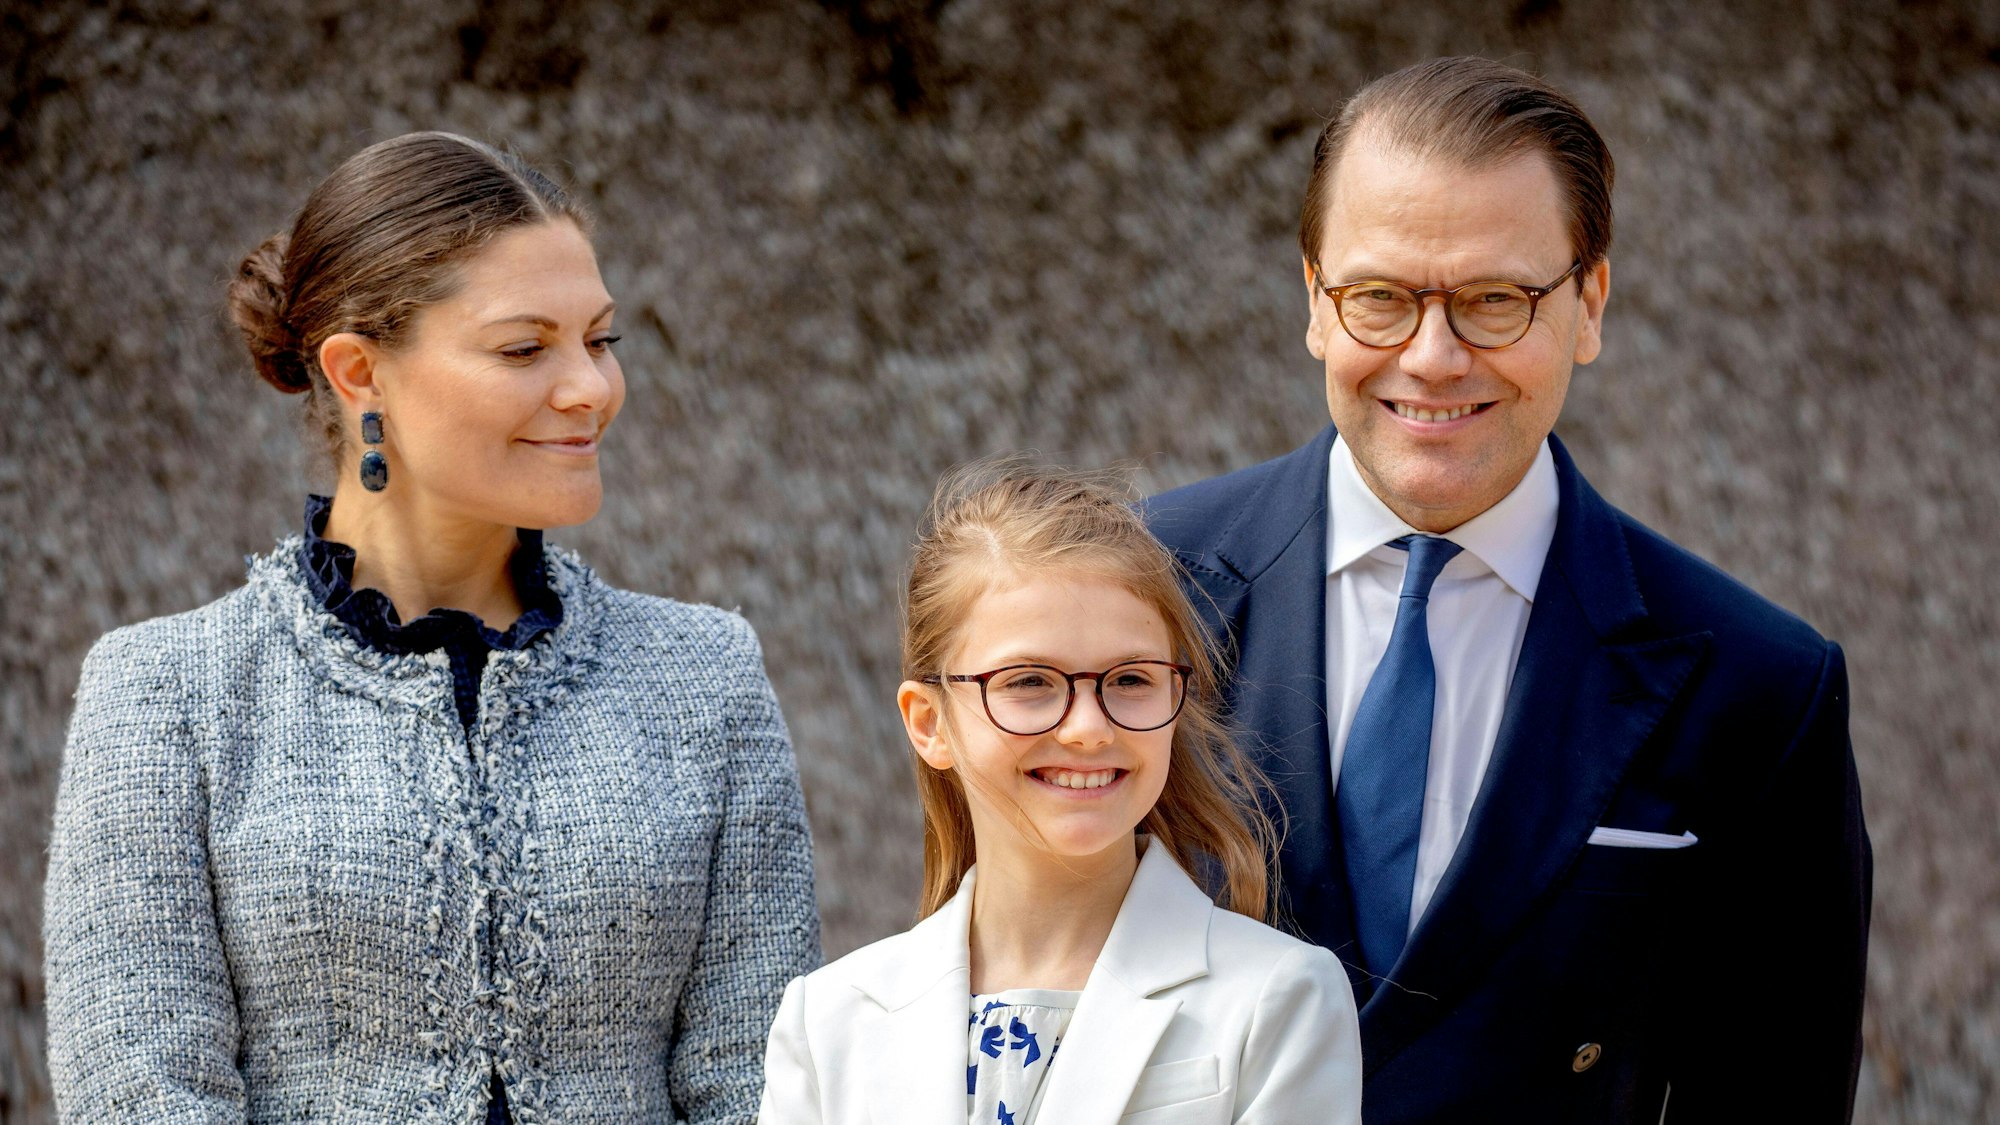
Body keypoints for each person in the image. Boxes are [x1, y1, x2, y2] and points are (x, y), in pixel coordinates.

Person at [1143, 57, 1871, 1123]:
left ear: (1587, 303)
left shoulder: (1759, 687)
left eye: (1493, 300)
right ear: (1311, 300)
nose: (1431, 358)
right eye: (1379, 298)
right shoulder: (1133, 591)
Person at [42, 132, 820, 1123]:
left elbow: (756, 1087)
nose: (590, 387)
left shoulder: (704, 676)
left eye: (600, 338)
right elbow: (139, 1095)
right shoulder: (169, 692)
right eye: (524, 347)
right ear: (360, 370)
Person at [760, 461, 1362, 1124]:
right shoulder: (828, 1024)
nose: (1086, 728)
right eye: (1028, 682)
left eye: (1130, 678)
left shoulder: (1278, 1002)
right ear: (930, 723)